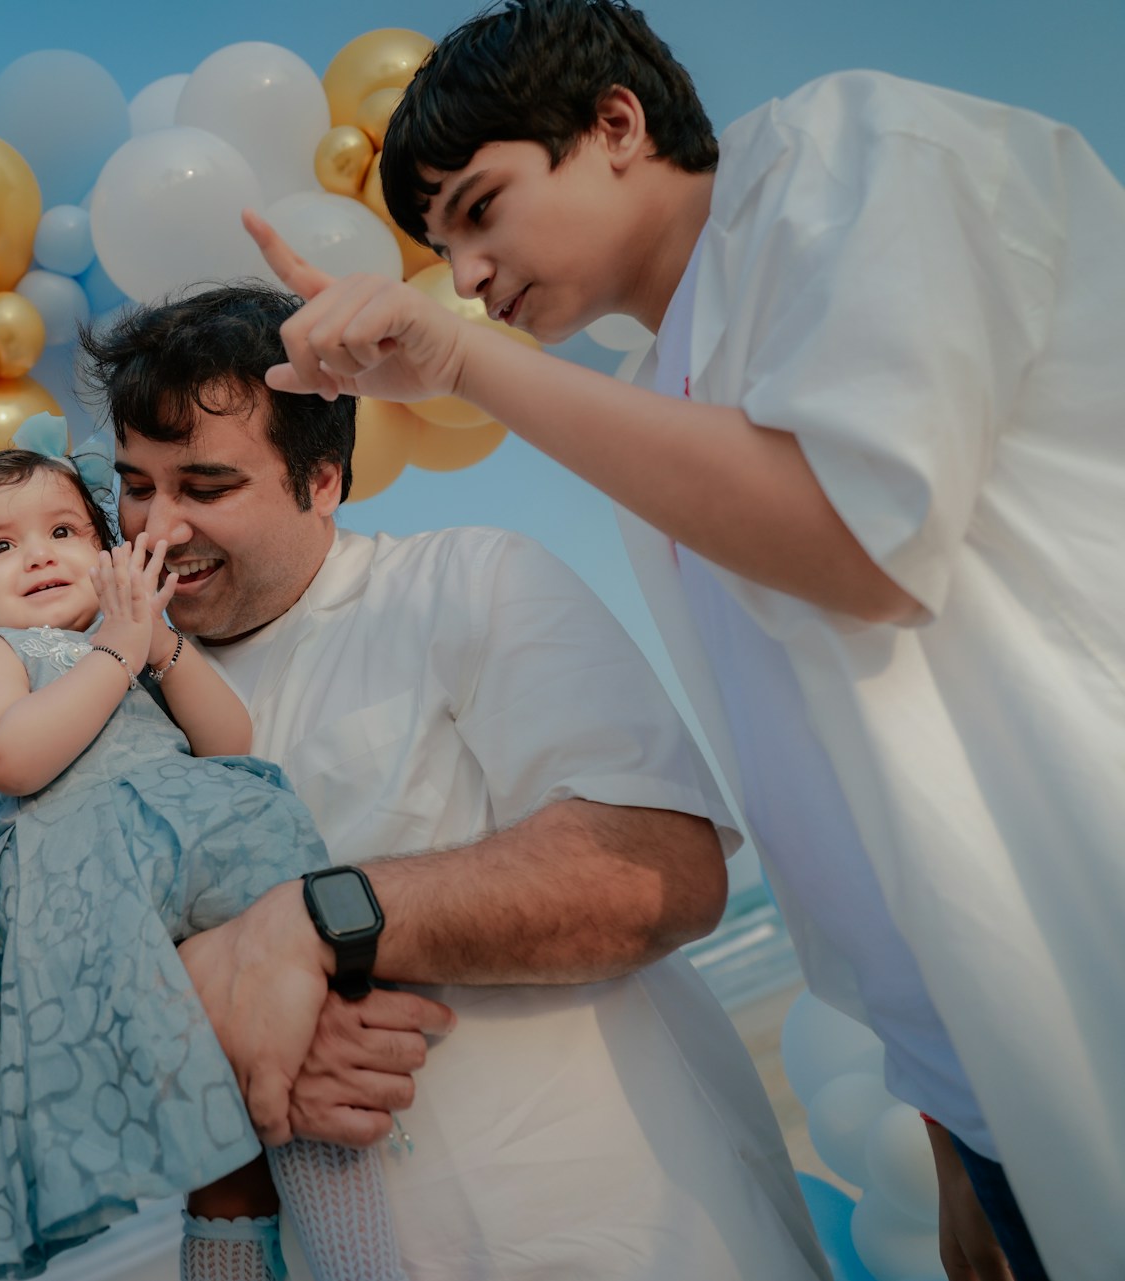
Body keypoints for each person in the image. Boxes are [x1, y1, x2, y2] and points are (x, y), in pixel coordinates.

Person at [242, 2, 1124, 1276]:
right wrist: (949, 1115)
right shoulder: (663, 388)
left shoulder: (857, 152)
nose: (470, 276)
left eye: (482, 210)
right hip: (994, 1068)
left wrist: (463, 362)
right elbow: (843, 772)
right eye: (444, 249)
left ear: (615, 123)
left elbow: (860, 543)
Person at [79, 283, 830, 1281]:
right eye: (135, 485)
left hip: (626, 1236)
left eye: (205, 488)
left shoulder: (471, 581)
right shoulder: (105, 711)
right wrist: (216, 1026)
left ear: (324, 482)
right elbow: (75, 1016)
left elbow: (662, 871)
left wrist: (313, 924)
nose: (155, 528)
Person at [0, 418, 406, 1281]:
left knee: (299, 1057)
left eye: (65, 531)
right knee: (208, 1127)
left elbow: (228, 738)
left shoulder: (143, 637)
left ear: (108, 549)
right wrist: (115, 652)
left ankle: (363, 1258)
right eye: (0, 546)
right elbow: (8, 753)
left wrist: (161, 645)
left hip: (186, 844)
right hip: (81, 874)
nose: (40, 556)